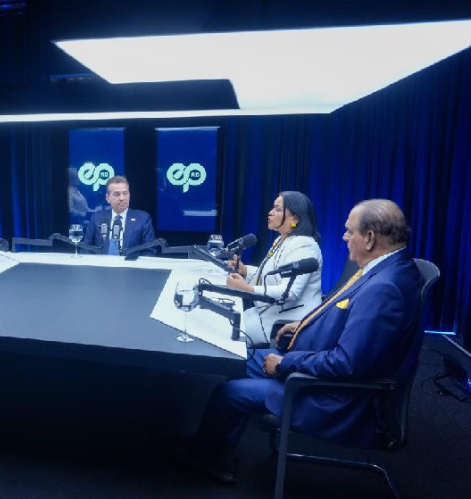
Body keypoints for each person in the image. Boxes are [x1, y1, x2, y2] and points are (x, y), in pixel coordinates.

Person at [181, 199, 424, 484]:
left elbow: (347, 364)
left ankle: (209, 458)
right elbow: (351, 318)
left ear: (370, 238)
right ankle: (212, 449)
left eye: (349, 231)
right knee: (236, 360)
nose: (344, 237)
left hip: (334, 395)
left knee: (232, 393)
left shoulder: (384, 288)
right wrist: (305, 324)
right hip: (317, 360)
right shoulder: (392, 267)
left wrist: (286, 363)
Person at [225, 191, 323, 347]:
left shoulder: (304, 245)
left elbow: (290, 292)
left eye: (278, 209)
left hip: (283, 323)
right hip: (264, 313)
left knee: (224, 336)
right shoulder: (281, 239)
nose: (270, 213)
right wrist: (244, 270)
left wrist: (247, 289)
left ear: (295, 218)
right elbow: (271, 276)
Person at [82, 175, 157, 256]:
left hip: (131, 267)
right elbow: (85, 248)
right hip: (102, 266)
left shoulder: (142, 218)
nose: (122, 198)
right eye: (117, 194)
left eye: (125, 193)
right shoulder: (97, 218)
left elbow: (150, 251)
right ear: (107, 198)